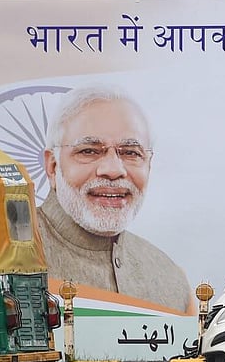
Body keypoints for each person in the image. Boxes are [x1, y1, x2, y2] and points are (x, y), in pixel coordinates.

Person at [38, 87, 193, 313]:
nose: (113, 170)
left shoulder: (172, 283)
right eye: (89, 151)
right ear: (53, 166)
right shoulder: (1, 260)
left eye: (130, 153)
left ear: (148, 166)